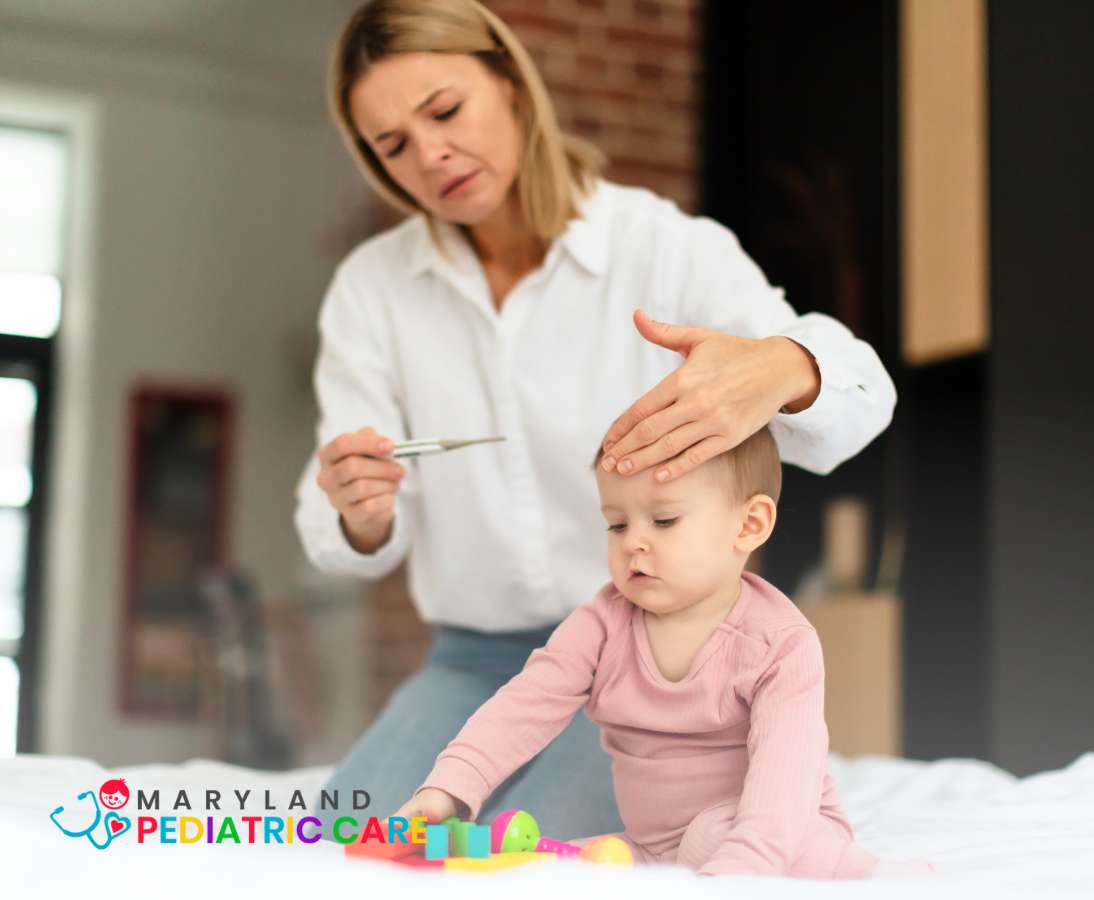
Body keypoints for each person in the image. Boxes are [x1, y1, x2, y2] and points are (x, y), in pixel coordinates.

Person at [295, 0, 897, 842]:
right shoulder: (373, 289)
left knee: (518, 854)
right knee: (343, 842)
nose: (429, 155)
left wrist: (781, 369)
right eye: (393, 145)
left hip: (651, 651)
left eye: (444, 111)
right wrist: (359, 512)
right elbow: (341, 525)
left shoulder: (658, 247)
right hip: (470, 662)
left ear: (508, 82)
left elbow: (864, 397)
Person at [392, 429, 934, 878]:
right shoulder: (600, 624)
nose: (634, 543)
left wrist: (744, 867)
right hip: (651, 846)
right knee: (548, 863)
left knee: (751, 840)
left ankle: (874, 876)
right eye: (617, 523)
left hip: (771, 832)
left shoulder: (780, 644)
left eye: (665, 520)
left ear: (748, 525)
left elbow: (784, 778)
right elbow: (523, 707)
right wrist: (448, 788)